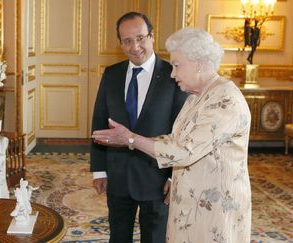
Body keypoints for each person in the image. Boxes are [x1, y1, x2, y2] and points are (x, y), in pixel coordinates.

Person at [92, 28, 252, 243]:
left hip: (214, 208)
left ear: (199, 63)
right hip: (192, 203)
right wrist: (130, 139)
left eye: (177, 66)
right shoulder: (196, 97)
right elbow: (174, 140)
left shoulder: (225, 99)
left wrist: (130, 139)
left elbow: (184, 151)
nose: (172, 73)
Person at [90, 12, 188, 243]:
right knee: (118, 236)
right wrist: (99, 170)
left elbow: (180, 130)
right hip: (118, 175)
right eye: (127, 41)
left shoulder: (173, 75)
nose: (135, 46)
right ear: (120, 43)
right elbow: (99, 121)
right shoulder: (112, 74)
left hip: (157, 177)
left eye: (141, 38)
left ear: (152, 36)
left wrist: (175, 177)